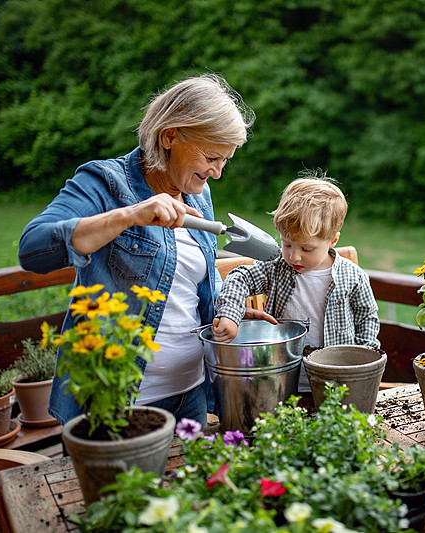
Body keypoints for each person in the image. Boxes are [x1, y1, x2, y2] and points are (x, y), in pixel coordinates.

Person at [18, 73, 256, 427]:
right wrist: (130, 216)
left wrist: (231, 310)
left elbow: (188, 281)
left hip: (192, 392)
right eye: (211, 156)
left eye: (224, 160)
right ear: (170, 135)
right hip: (119, 401)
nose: (217, 172)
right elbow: (32, 249)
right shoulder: (104, 183)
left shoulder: (198, 192)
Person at [212, 171, 381, 394]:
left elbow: (367, 319)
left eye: (307, 248)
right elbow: (239, 278)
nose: (294, 256)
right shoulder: (276, 267)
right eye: (287, 244)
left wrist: (362, 365)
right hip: (281, 380)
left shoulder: (353, 276)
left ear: (333, 240)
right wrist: (230, 314)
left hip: (336, 382)